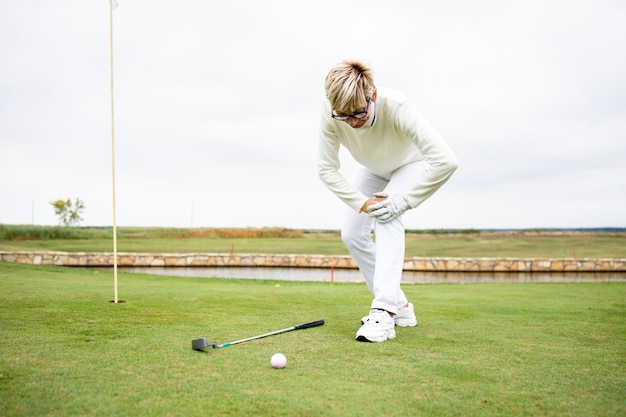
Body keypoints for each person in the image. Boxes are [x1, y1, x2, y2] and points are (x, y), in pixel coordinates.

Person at [318, 60, 459, 342]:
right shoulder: (331, 113)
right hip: (370, 168)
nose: (353, 123)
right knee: (351, 234)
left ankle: (383, 312)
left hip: (410, 163)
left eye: (358, 113)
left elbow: (446, 161)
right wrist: (361, 202)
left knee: (387, 215)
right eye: (343, 117)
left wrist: (406, 200)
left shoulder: (397, 106)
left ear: (372, 96)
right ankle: (402, 307)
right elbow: (326, 169)